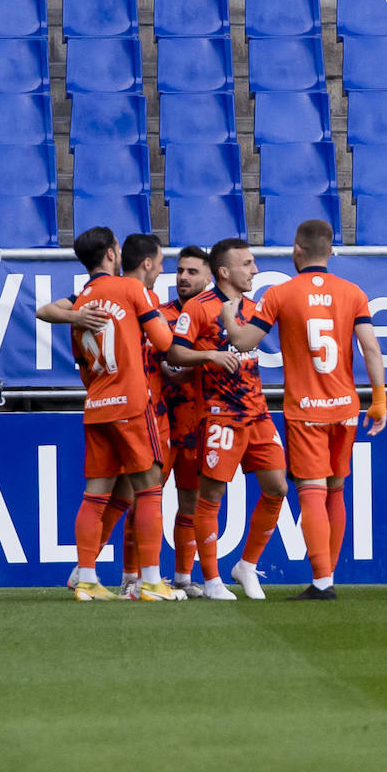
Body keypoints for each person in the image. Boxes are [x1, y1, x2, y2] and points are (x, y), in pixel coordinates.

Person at [219, 219, 387, 600]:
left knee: (311, 491)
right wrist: (379, 399)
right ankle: (329, 576)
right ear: (330, 252)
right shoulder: (353, 292)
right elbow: (372, 349)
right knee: (336, 491)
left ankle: (322, 582)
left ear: (296, 249)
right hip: (345, 407)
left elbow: (244, 342)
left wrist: (229, 316)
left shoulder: (280, 293)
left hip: (306, 409)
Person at [55, 226, 178, 601]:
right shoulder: (131, 289)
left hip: (96, 405)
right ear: (112, 253)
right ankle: (153, 582)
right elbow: (165, 344)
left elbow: (81, 363)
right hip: (131, 403)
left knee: (95, 494)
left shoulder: (79, 306)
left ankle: (88, 579)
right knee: (149, 489)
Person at [167, 239, 288, 601]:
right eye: (247, 263)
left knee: (277, 488)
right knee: (211, 495)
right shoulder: (199, 307)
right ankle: (212, 580)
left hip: (258, 413)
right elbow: (175, 351)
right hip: (220, 414)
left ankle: (246, 565)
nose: (254, 269)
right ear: (224, 272)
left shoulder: (255, 308)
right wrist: (211, 356)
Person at [158, 245, 211, 596]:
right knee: (144, 497)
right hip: (161, 421)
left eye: (192, 272)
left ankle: (182, 578)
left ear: (210, 276)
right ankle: (134, 576)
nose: (183, 277)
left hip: (195, 424)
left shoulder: (214, 316)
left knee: (189, 502)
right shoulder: (158, 316)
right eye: (180, 271)